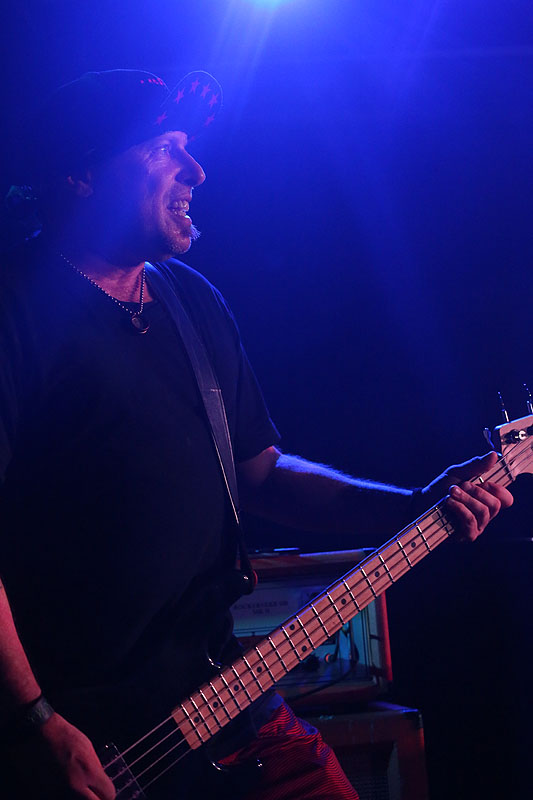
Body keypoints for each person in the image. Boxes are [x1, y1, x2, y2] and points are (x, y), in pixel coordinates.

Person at [0, 69, 513, 800]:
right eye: (163, 148)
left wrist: (412, 504)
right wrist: (35, 721)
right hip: (81, 734)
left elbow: (261, 473)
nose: (195, 169)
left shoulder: (190, 301)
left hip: (222, 702)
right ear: (82, 174)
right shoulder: (16, 310)